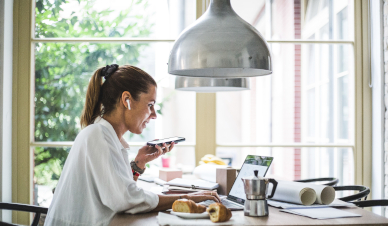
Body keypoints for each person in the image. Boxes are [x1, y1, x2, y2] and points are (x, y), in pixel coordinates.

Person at [45, 64, 220, 226]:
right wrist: (187, 197)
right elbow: (125, 199)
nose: (153, 115)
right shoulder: (98, 135)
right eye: (150, 105)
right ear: (126, 99)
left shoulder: (106, 136)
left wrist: (139, 164)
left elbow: (119, 190)